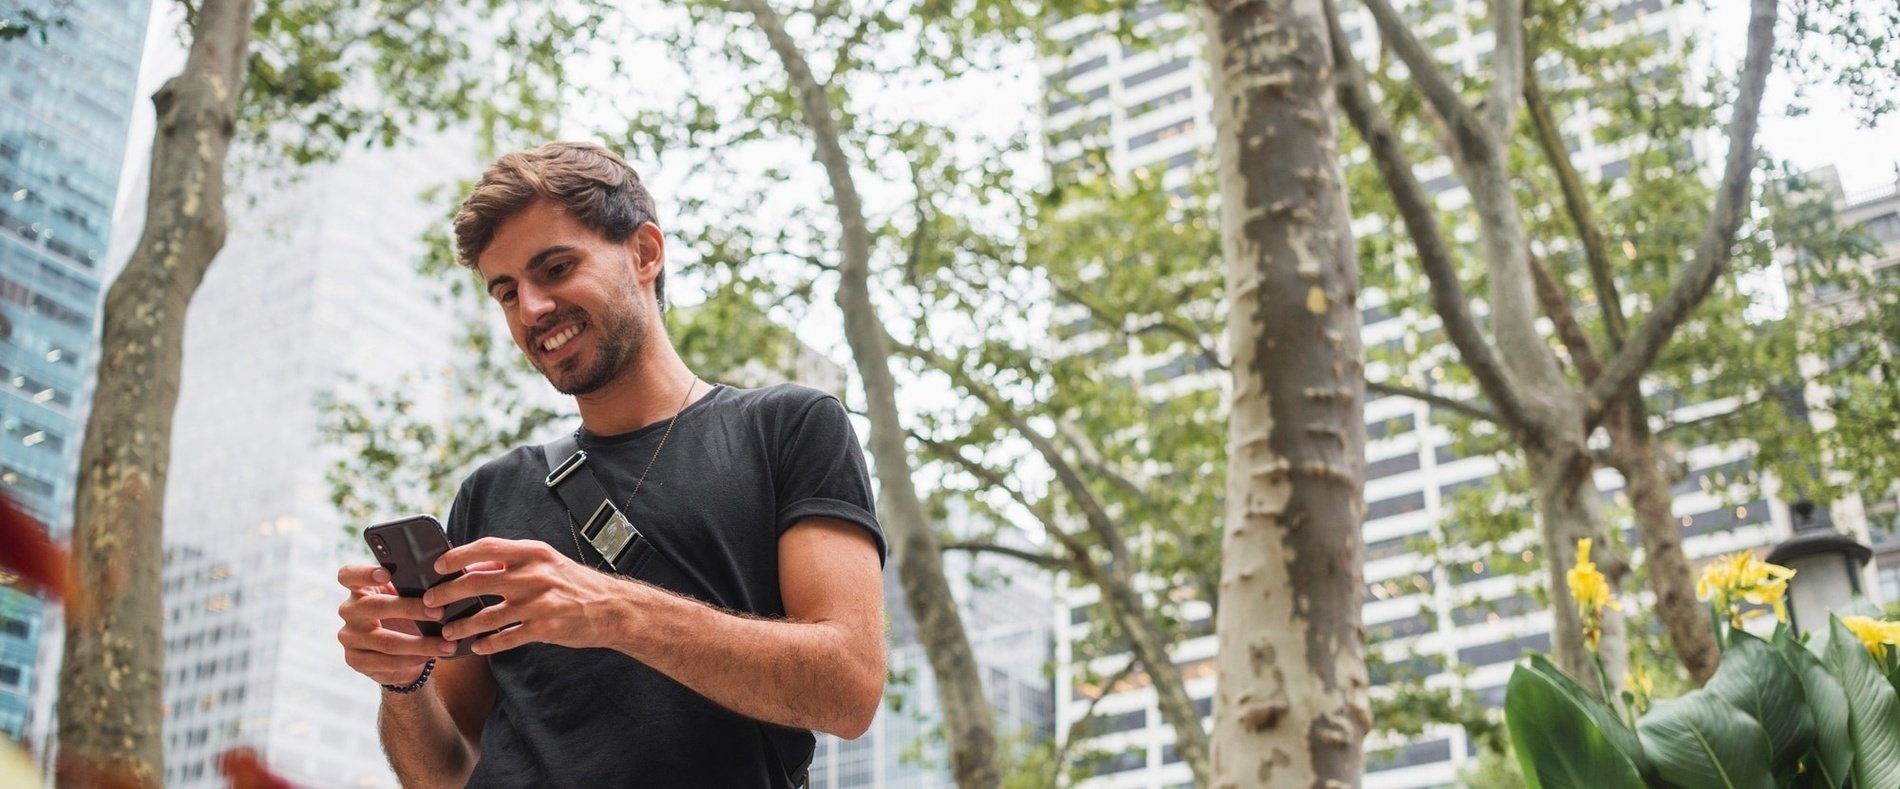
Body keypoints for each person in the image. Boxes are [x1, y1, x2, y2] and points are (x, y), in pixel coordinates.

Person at [335, 141, 887, 788]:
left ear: (646, 252)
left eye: (557, 267)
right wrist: (403, 682)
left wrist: (611, 610)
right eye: (507, 292)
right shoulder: (490, 493)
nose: (532, 309)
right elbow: (446, 773)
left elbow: (849, 688)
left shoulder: (790, 427)